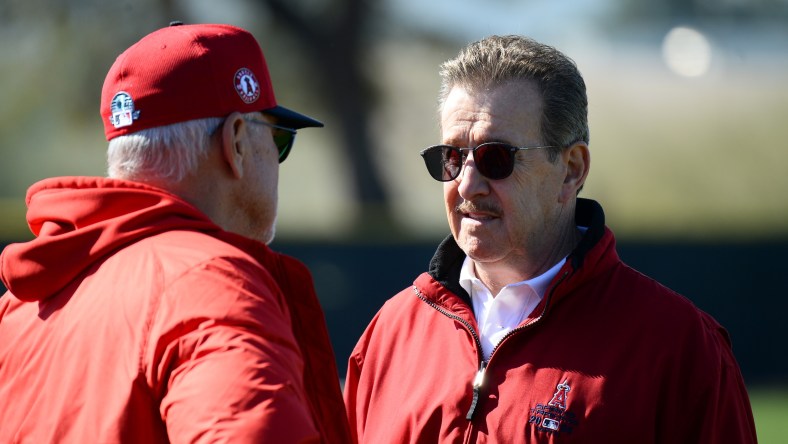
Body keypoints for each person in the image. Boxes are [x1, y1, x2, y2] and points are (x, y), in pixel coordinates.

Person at [344, 35, 757, 443]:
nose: (468, 184)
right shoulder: (390, 333)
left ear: (571, 169)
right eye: (452, 157)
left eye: (496, 157)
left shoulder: (679, 347)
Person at [0, 23, 351, 443]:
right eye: (278, 138)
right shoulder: (213, 281)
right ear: (236, 142)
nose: (277, 161)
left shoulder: (20, 310)